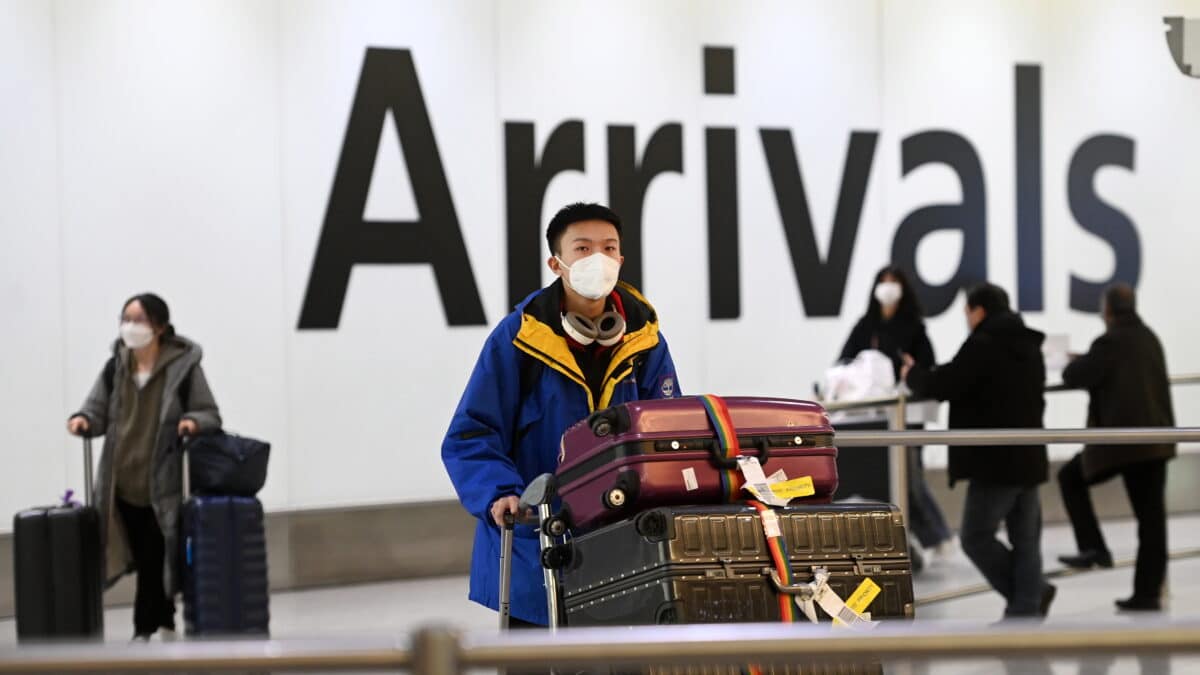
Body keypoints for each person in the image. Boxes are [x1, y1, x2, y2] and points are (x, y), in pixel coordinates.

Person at [441, 202, 682, 627]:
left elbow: (667, 430)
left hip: (625, 548)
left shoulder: (645, 341)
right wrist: (500, 493)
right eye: (583, 249)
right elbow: (471, 434)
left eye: (609, 249)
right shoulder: (519, 339)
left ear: (621, 259)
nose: (599, 260)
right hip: (536, 549)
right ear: (557, 263)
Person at [66, 293, 222, 640]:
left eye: (138, 320)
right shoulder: (116, 367)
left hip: (161, 483)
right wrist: (82, 420)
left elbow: (208, 411)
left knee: (155, 558)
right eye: (125, 319)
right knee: (148, 558)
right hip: (121, 482)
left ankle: (143, 631)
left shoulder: (183, 369)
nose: (129, 327)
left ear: (160, 327)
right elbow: (96, 409)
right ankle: (165, 623)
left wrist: (192, 423)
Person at [901, 283, 1055, 619]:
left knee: (975, 536)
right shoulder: (1029, 344)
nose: (967, 320)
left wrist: (913, 375)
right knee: (1026, 541)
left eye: (967, 313)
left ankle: (1030, 597)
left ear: (979, 310)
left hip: (995, 461)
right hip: (1029, 455)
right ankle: (1027, 604)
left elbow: (946, 383)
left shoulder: (983, 344)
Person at [1056, 283, 1175, 611]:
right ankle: (1148, 593)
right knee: (1152, 521)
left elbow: (1074, 375)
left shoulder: (1110, 341)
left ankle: (1094, 547)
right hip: (1156, 442)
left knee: (1069, 479)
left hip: (1125, 445)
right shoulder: (1147, 336)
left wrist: (1082, 359)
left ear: (1107, 311)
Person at [838, 265, 953, 559]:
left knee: (910, 476)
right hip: (872, 415)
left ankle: (935, 534)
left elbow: (927, 366)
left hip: (905, 413)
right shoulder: (866, 325)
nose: (888, 287)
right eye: (883, 282)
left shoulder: (913, 326)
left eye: (894, 282)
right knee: (890, 477)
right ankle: (920, 536)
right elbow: (844, 360)